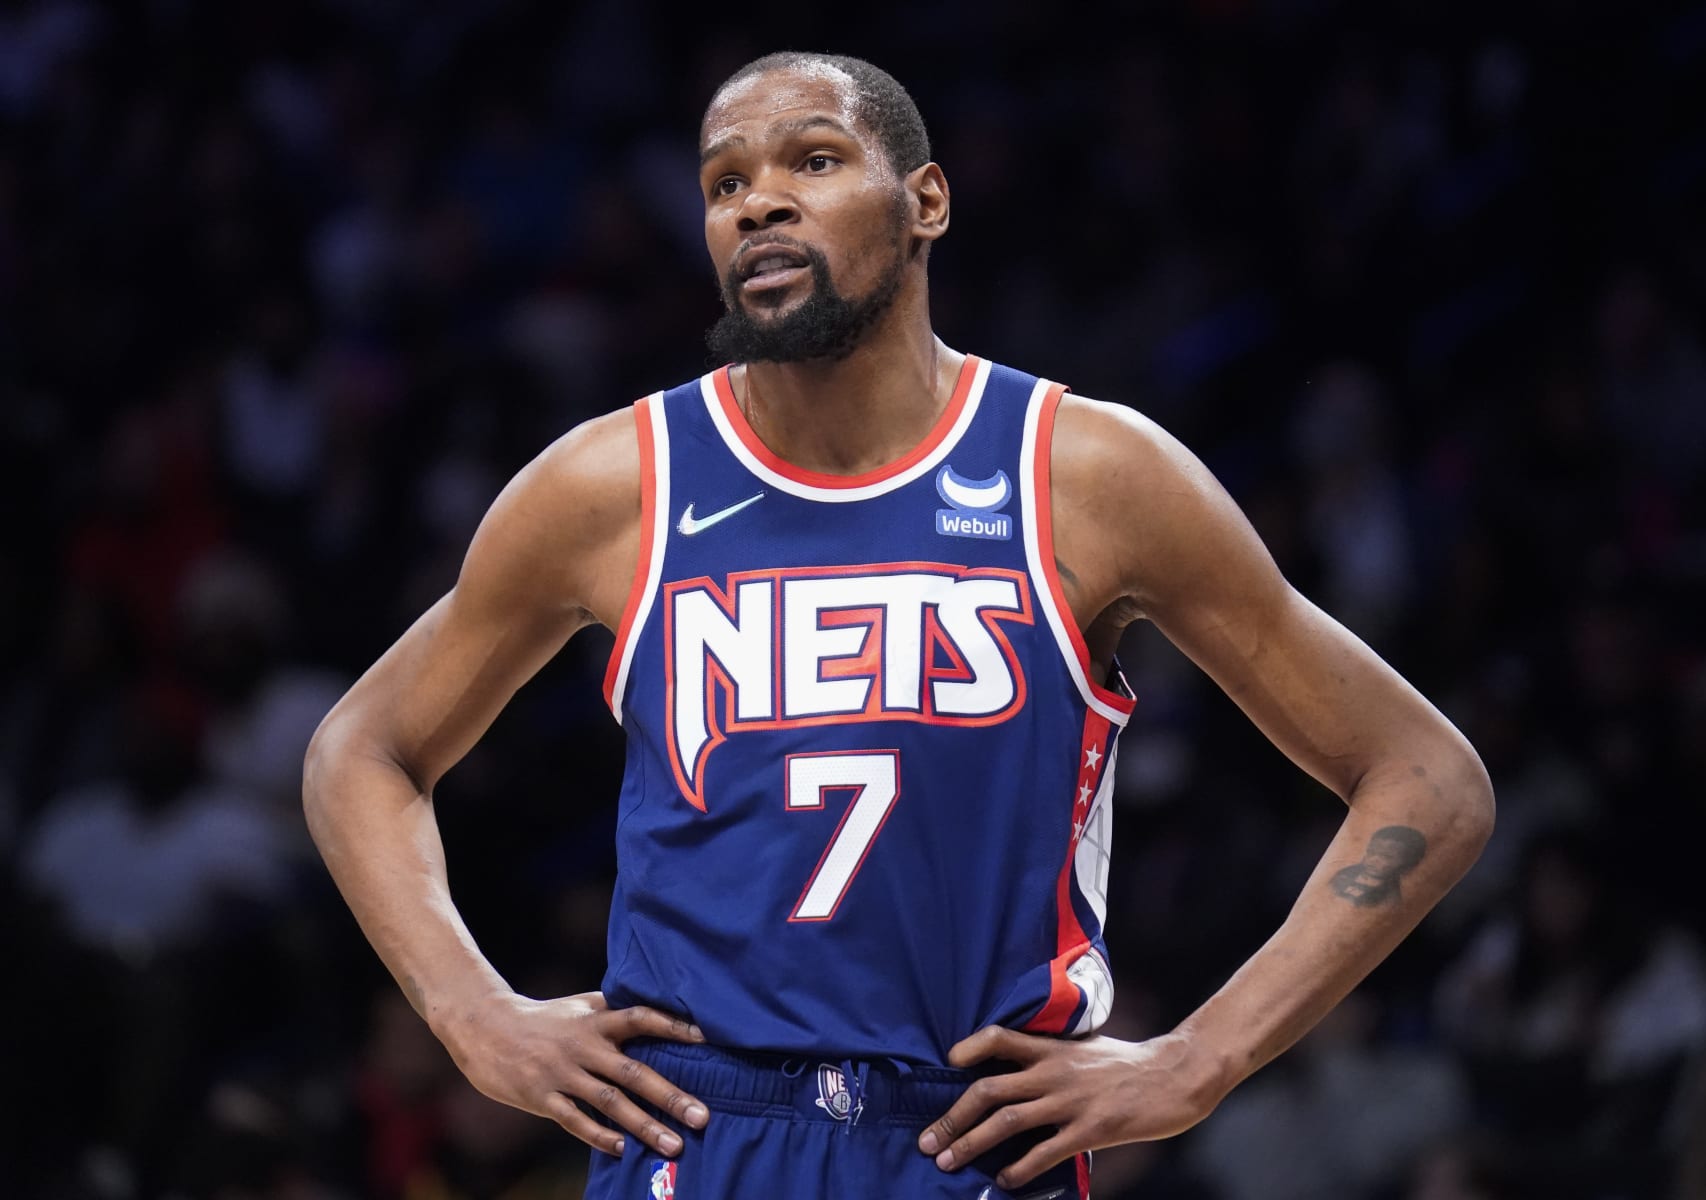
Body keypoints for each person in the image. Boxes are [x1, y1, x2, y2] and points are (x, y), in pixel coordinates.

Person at [303, 51, 1494, 1200]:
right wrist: (470, 1013)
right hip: (695, 1131)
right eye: (724, 183)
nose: (759, 201)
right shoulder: (613, 485)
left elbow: (1429, 779)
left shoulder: (1084, 473)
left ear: (926, 201)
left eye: (813, 161)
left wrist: (1202, 1058)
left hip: (972, 1135)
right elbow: (361, 748)